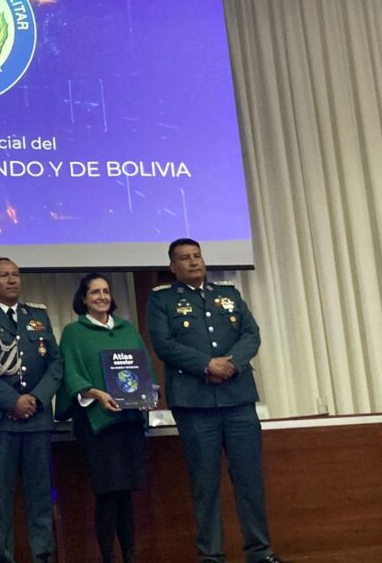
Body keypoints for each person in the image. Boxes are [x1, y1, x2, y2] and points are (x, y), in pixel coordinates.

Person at [147, 238, 283, 563]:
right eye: (185, 258)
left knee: (249, 480)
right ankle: (211, 555)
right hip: (195, 404)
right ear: (173, 267)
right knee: (205, 483)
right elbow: (163, 344)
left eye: (197, 256)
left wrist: (230, 364)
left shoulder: (229, 294)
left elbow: (251, 334)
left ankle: (260, 552)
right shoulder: (162, 300)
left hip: (238, 399)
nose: (194, 262)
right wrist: (206, 365)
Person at [0, 257, 62, 563]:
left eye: (16, 274)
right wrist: (12, 401)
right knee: (0, 500)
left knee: (40, 496)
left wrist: (36, 399)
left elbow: (55, 363)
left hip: (37, 420)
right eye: (4, 275)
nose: (12, 280)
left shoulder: (38, 315)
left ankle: (43, 556)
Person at [57, 272, 155, 563]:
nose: (102, 297)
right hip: (98, 426)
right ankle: (108, 558)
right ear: (83, 298)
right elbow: (71, 373)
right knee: (108, 494)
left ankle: (129, 557)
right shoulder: (74, 332)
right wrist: (96, 393)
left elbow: (145, 368)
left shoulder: (127, 329)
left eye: (106, 291)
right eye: (95, 292)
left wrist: (149, 393)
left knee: (126, 495)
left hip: (129, 424)